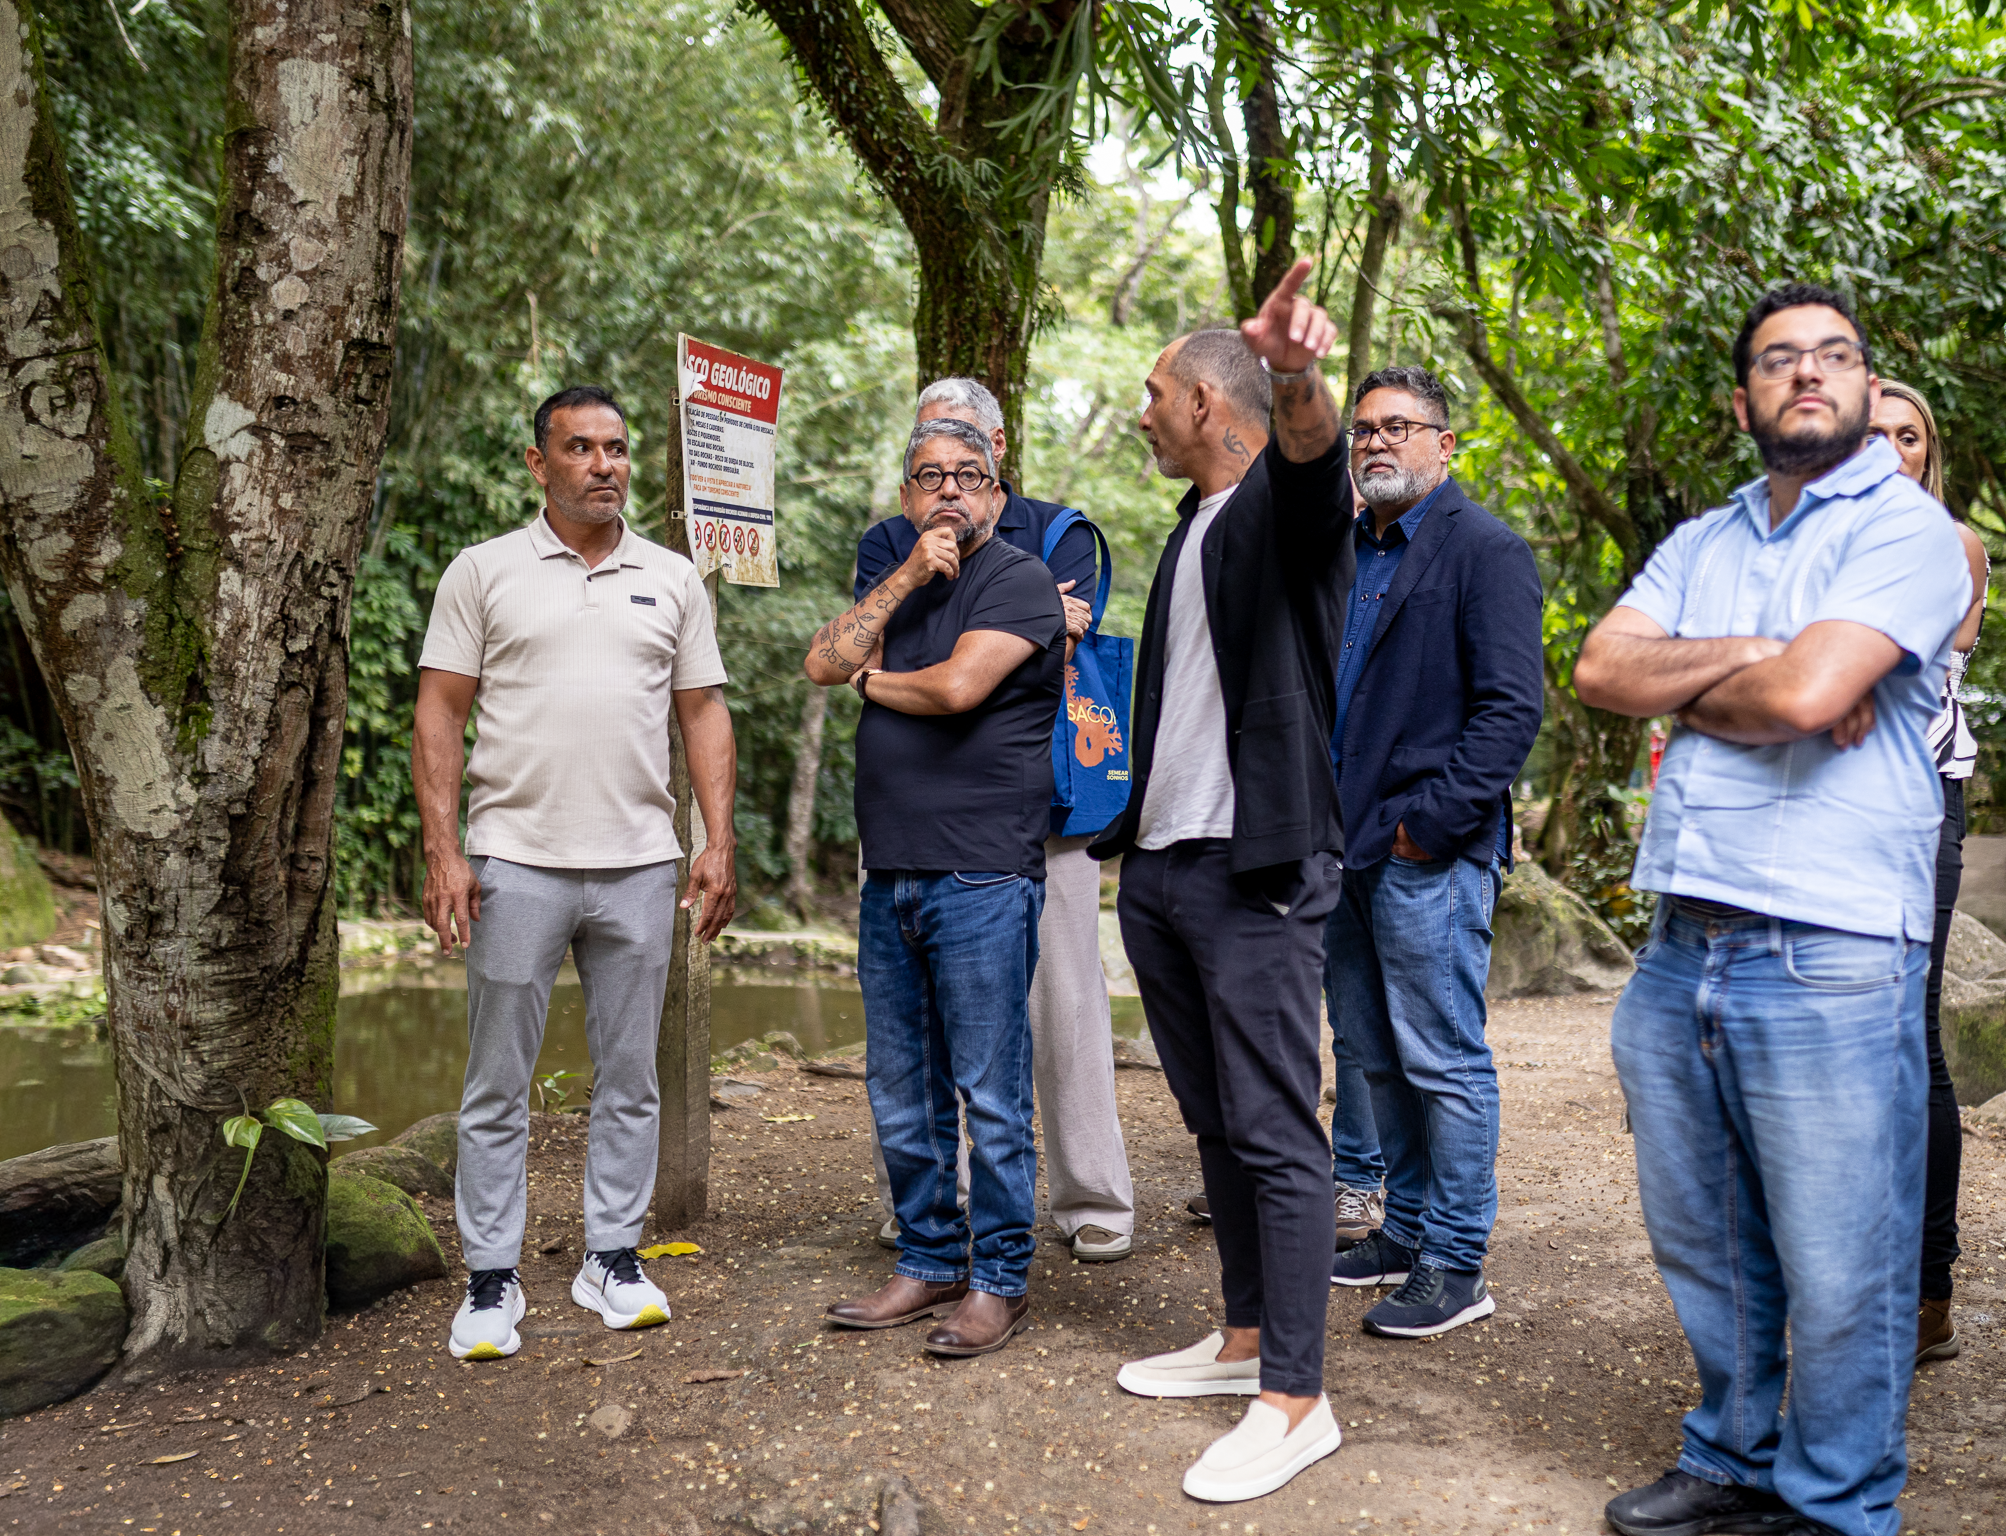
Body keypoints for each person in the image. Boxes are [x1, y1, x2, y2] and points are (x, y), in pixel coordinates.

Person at [1574, 285, 1971, 1536]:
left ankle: (1837, 1503)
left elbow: (1807, 697)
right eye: (1777, 358)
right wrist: (1761, 651)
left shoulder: (1905, 532)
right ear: (1744, 394)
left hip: (1829, 951)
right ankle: (1730, 1458)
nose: (1806, 373)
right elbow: (1597, 668)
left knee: (1841, 1259)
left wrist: (1701, 674)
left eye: (1833, 355)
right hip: (1678, 941)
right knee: (1707, 1244)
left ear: (1863, 385)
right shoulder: (1704, 538)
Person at [413, 385, 740, 1361]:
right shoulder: (483, 573)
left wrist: (715, 840)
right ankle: (489, 1276)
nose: (604, 464)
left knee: (630, 1075)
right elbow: (439, 710)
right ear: (537, 462)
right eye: (581, 448)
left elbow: (703, 714)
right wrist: (444, 852)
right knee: (495, 1081)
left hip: (641, 862)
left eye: (617, 448)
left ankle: (611, 1256)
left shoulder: (674, 579)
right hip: (515, 858)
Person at [1100, 260, 1353, 1504]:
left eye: (1154, 391)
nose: (1140, 410)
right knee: (1212, 1122)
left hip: (1253, 869)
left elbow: (1313, 470)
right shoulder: (1188, 526)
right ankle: (1244, 1337)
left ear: (1210, 400)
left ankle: (1295, 1400)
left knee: (1272, 1130)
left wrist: (1297, 375)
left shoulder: (1272, 506)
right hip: (1165, 867)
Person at [854, 379, 1138, 1264]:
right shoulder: (888, 543)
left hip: (1041, 807)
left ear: (998, 450)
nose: (948, 476)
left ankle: (1090, 1198)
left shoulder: (1056, 532)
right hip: (916, 822)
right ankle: (942, 1205)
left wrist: (925, 657)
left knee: (1064, 1004)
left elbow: (1007, 654)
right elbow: (869, 640)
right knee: (925, 1033)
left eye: (965, 452)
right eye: (927, 456)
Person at [807, 417, 1066, 1359]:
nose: (950, 491)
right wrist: (910, 577)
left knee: (990, 1092)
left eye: (969, 476)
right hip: (893, 872)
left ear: (997, 496)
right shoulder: (899, 576)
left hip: (983, 872)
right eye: (929, 478)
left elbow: (957, 689)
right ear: (910, 499)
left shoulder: (1021, 581)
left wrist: (874, 683)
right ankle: (928, 1256)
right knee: (899, 1086)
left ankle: (999, 1278)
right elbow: (819, 660)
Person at [1322, 366, 1544, 1336]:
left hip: (1425, 854)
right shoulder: (1342, 551)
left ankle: (1455, 1263)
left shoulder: (1483, 549)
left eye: (1398, 427)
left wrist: (1429, 826)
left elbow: (1509, 710)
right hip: (1339, 851)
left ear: (1442, 445)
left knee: (1443, 1061)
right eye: (1363, 429)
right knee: (1373, 1060)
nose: (1375, 442)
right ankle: (1402, 1233)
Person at [1868, 379, 1989, 1365]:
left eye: (1906, 436)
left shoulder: (1951, 545)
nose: (1888, 448)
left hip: (1914, 806)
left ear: (1924, 454)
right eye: (1869, 433)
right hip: (1821, 814)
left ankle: (1926, 1290)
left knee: (1913, 1043)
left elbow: (1910, 650)